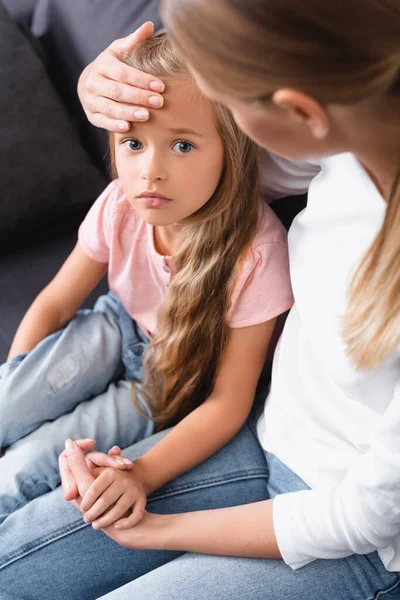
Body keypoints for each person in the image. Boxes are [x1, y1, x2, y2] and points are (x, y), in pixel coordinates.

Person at [1, 1, 400, 597]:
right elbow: (217, 160)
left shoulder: (265, 237)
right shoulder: (346, 142)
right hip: (268, 441)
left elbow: (365, 516)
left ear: (297, 107)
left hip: (352, 531)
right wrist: (110, 93)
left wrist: (155, 526)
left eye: (228, 96)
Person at [0, 30, 292, 527]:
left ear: (232, 148)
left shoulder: (258, 256)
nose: (149, 172)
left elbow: (227, 406)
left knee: (21, 471)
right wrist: (20, 384)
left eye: (182, 145)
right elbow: (55, 303)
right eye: (132, 143)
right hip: (116, 327)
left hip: (173, 374)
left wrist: (143, 474)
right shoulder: (119, 204)